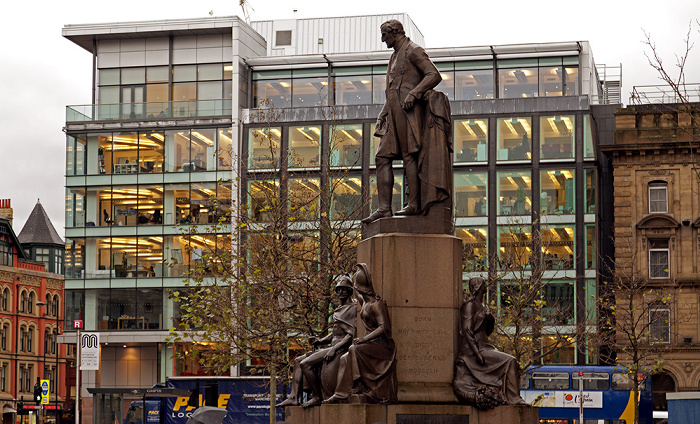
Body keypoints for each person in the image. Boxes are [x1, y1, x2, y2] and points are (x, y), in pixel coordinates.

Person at [362, 20, 452, 223]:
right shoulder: (394, 56)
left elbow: (434, 75)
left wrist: (415, 93)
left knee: (409, 155)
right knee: (382, 157)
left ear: (394, 33)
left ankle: (413, 205)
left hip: (409, 113)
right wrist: (384, 112)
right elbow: (393, 89)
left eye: (384, 34)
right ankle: (384, 209)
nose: (382, 38)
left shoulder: (413, 50)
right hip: (394, 114)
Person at [276, 275, 356, 408]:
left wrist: (333, 349)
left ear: (349, 290)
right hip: (331, 347)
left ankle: (317, 396)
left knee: (306, 363)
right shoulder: (338, 310)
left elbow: (350, 335)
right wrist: (320, 341)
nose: (340, 292)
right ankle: (294, 397)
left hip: (340, 349)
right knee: (297, 361)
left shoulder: (353, 308)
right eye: (338, 290)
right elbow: (335, 333)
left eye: (343, 289)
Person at [323, 263, 397, 404]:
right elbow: (356, 292)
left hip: (383, 346)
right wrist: (350, 276)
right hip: (370, 344)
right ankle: (341, 393)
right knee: (345, 358)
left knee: (353, 349)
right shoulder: (364, 303)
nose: (355, 292)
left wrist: (364, 339)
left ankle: (358, 385)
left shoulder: (376, 305)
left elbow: (384, 327)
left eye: (356, 288)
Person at [453, 276, 525, 407]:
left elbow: (486, 331)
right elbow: (467, 330)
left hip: (486, 347)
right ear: (479, 286)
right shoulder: (470, 305)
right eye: (484, 284)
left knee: (513, 362)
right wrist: (477, 354)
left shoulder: (481, 306)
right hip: (475, 351)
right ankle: (513, 398)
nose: (486, 286)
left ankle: (510, 396)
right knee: (511, 361)